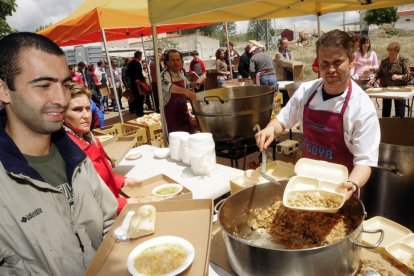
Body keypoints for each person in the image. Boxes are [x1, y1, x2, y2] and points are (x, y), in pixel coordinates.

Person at [0, 32, 117, 275]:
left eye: (64, 84)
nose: (61, 99)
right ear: (3, 90)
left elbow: (110, 225)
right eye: (43, 85)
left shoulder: (77, 158)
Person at [256, 29, 380, 200]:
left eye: (338, 62)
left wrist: (352, 184)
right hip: (305, 186)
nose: (331, 69)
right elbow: (281, 122)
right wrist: (270, 129)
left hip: (341, 191)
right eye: (324, 63)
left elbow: (364, 162)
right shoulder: (306, 92)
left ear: (351, 60)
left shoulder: (361, 107)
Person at [64, 81, 142, 213]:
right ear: (62, 115)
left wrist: (124, 181)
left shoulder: (89, 138)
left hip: (114, 205)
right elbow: (90, 200)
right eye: (77, 110)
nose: (86, 115)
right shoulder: (69, 152)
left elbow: (104, 178)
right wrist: (124, 203)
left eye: (88, 108)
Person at [368, 42, 411, 118]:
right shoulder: (385, 61)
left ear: (397, 52)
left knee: (400, 110)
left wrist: (399, 76)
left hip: (400, 89)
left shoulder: (403, 61)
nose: (390, 56)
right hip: (387, 89)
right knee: (386, 110)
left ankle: (399, 126)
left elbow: (409, 75)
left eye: (392, 54)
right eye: (389, 53)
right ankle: (386, 125)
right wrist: (374, 79)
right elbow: (379, 73)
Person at [161, 49, 197, 133]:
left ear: (182, 61)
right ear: (167, 62)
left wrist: (198, 82)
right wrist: (186, 92)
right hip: (172, 120)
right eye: (173, 60)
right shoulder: (163, 75)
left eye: (178, 60)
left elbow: (188, 85)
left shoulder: (180, 74)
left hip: (184, 116)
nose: (176, 63)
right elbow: (169, 87)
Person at [126, 50, 147, 117]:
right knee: (139, 98)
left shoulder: (133, 63)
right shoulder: (134, 63)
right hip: (136, 84)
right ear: (138, 56)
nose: (141, 57)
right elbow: (129, 74)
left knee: (140, 97)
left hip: (137, 83)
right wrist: (136, 79)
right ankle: (139, 113)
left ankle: (140, 112)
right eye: (141, 56)